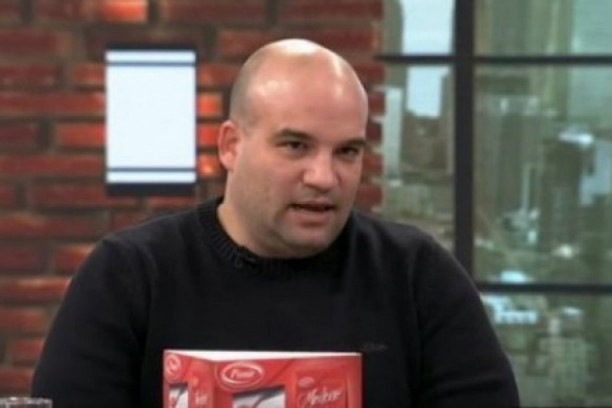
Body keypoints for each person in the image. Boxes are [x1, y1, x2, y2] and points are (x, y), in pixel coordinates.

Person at [31, 39, 519, 407]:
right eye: (295, 146)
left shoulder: (417, 276)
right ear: (231, 146)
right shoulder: (129, 275)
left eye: (347, 152)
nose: (324, 177)